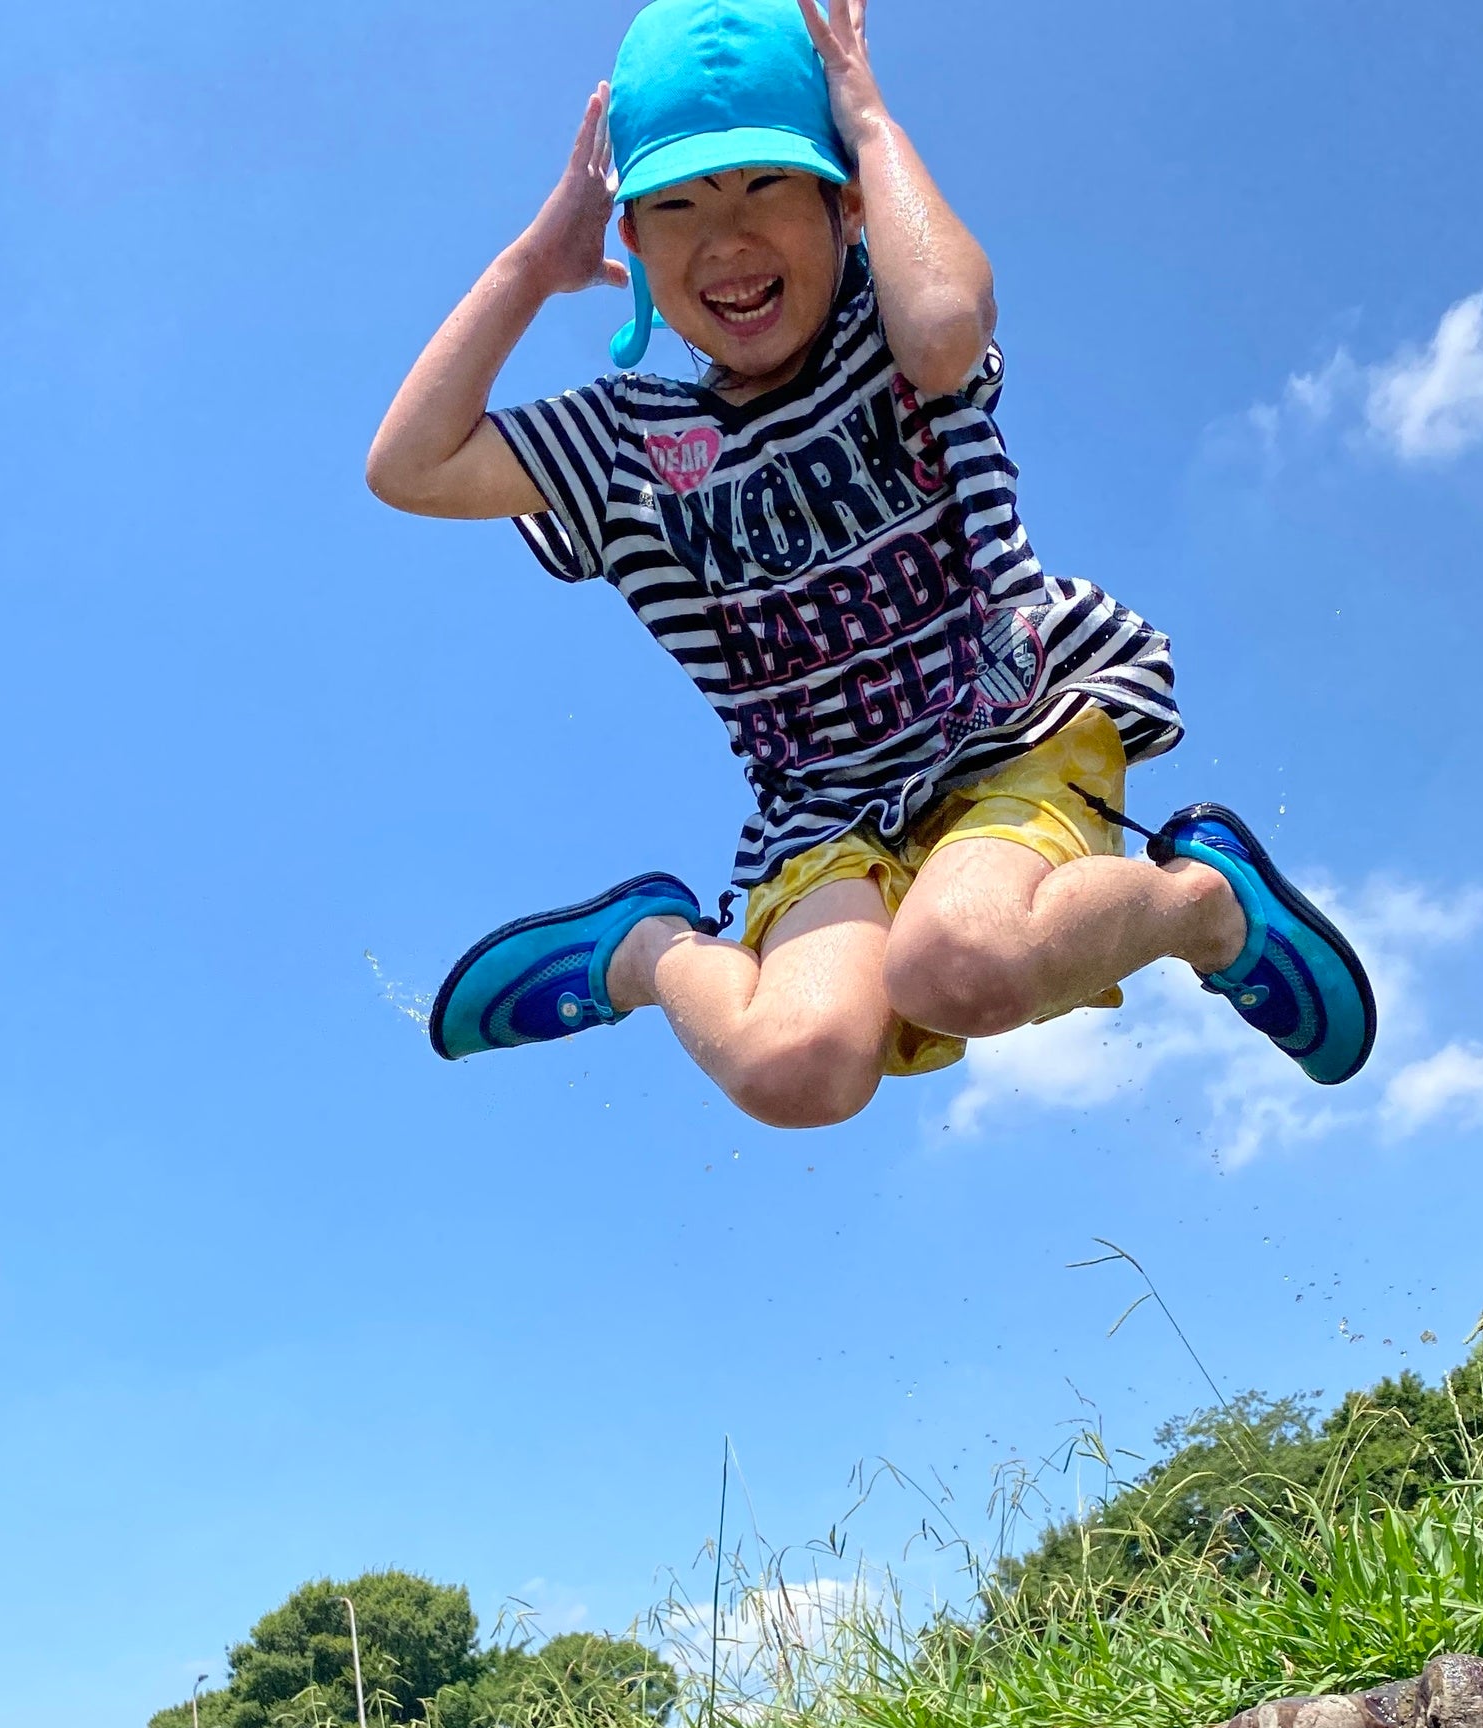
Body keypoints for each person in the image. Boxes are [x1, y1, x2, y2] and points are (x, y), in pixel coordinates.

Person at [367, 0, 1375, 1129]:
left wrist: (866, 115)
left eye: (766, 188)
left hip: (1011, 722)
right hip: (825, 804)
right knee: (796, 1070)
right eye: (678, 207)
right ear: (636, 247)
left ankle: (1210, 908)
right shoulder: (627, 445)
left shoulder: (886, 333)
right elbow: (408, 467)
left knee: (961, 965)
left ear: (844, 204)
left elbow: (946, 320)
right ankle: (642, 952)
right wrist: (533, 263)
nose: (725, 241)